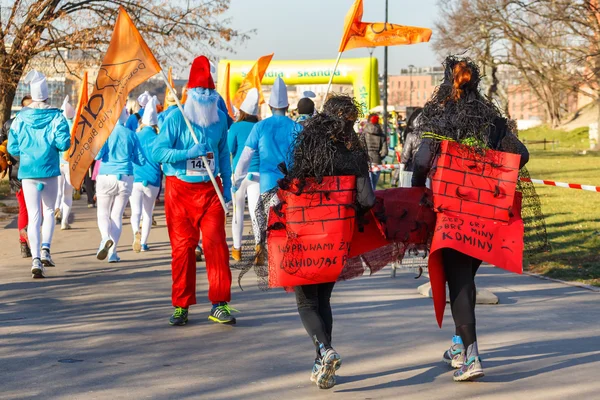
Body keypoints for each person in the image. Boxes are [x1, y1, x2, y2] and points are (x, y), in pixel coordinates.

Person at [411, 57, 529, 382]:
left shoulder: (439, 116)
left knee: (459, 283)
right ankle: (458, 345)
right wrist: (489, 169)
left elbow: (422, 160)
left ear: (448, 81)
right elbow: (521, 154)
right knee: (465, 279)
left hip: (453, 212)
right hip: (487, 215)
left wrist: (418, 190)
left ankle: (472, 355)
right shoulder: (491, 118)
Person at [288, 95, 375, 389]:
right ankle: (322, 360)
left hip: (305, 231)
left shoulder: (307, 145)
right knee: (322, 299)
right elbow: (367, 200)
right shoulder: (354, 152)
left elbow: (293, 185)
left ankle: (324, 351)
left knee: (305, 300)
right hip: (337, 236)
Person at [152, 55, 235, 326]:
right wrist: (186, 153)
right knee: (183, 248)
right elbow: (157, 152)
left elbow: (223, 154)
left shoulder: (220, 119)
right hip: (180, 190)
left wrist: (228, 185)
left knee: (216, 246)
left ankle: (220, 303)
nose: (206, 95)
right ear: (190, 92)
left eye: (210, 91)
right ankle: (181, 304)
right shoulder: (176, 118)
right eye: (201, 91)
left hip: (211, 190)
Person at [7, 71, 71, 278]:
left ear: (32, 96)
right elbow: (63, 144)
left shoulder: (19, 118)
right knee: (50, 211)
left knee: (34, 216)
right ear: (47, 96)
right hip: (49, 170)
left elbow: (13, 147)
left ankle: (35, 259)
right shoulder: (57, 116)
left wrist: (26, 154)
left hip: (28, 172)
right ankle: (45, 249)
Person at [95, 107, 146, 263]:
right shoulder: (132, 135)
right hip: (126, 176)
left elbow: (97, 155)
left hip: (105, 175)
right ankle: (113, 252)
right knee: (117, 215)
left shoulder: (105, 133)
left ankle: (105, 238)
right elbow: (141, 160)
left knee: (103, 213)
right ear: (125, 117)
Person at [234, 76, 300, 194]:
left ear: (270, 107)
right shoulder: (297, 127)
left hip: (267, 184)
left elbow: (246, 156)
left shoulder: (260, 127)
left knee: (269, 212)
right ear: (288, 106)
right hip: (291, 185)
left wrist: (237, 181)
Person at [228, 88, 261, 261]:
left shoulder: (235, 127)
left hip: (239, 176)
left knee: (237, 212)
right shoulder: (260, 126)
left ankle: (237, 250)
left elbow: (230, 149)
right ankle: (259, 250)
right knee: (257, 213)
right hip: (257, 174)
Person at [1, 95, 33, 258]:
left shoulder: (9, 124)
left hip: (15, 172)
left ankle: (23, 243)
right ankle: (34, 242)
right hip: (34, 171)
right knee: (37, 209)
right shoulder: (35, 122)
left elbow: (2, 145)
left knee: (24, 209)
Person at [130, 97, 161, 252]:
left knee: (135, 211)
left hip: (136, 178)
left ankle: (136, 231)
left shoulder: (135, 136)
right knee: (148, 213)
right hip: (153, 179)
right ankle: (143, 243)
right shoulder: (158, 138)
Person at [54, 96, 76, 230]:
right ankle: (64, 222)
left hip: (58, 162)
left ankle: (56, 208)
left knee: (57, 191)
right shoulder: (76, 126)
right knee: (68, 194)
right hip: (71, 164)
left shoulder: (57, 125)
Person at [397, 107, 423, 187]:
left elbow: (404, 157)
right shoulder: (431, 136)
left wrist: (397, 178)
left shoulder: (411, 136)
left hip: (411, 170)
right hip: (426, 172)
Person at [364, 114, 388, 190]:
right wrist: (379, 157)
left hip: (366, 160)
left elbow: (360, 147)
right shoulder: (382, 135)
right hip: (377, 161)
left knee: (368, 186)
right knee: (373, 186)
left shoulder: (364, 133)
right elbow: (385, 152)